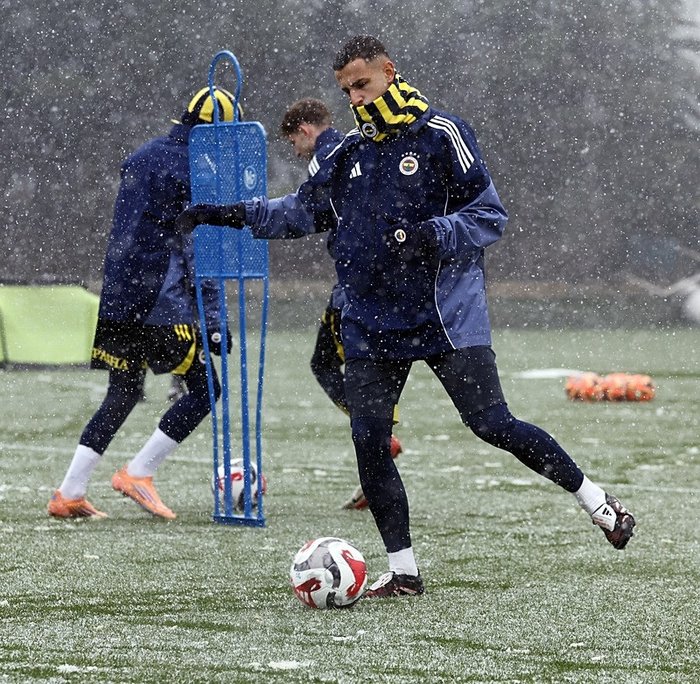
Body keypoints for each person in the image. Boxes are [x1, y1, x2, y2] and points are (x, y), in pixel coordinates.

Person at [177, 36, 636, 595]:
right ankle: (404, 572)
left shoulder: (443, 133)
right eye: (346, 90)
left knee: (492, 425)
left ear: (389, 72)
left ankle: (598, 503)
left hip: (445, 315)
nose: (355, 98)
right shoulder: (348, 153)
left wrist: (433, 233)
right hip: (371, 322)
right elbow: (300, 212)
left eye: (362, 84)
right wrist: (226, 214)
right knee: (369, 442)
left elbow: (489, 216)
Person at [47, 86, 236, 520]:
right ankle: (139, 472)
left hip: (119, 294)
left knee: (124, 392)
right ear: (213, 133)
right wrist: (212, 319)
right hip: (158, 300)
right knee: (208, 390)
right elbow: (197, 251)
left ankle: (70, 491)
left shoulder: (145, 155)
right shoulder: (196, 171)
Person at [279, 98, 403, 510]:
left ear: (305, 131)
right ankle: (378, 452)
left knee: (329, 365)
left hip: (356, 289)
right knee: (370, 370)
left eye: (293, 142)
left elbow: (308, 208)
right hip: (379, 282)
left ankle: (379, 442)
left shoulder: (326, 156)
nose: (296, 151)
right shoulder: (356, 145)